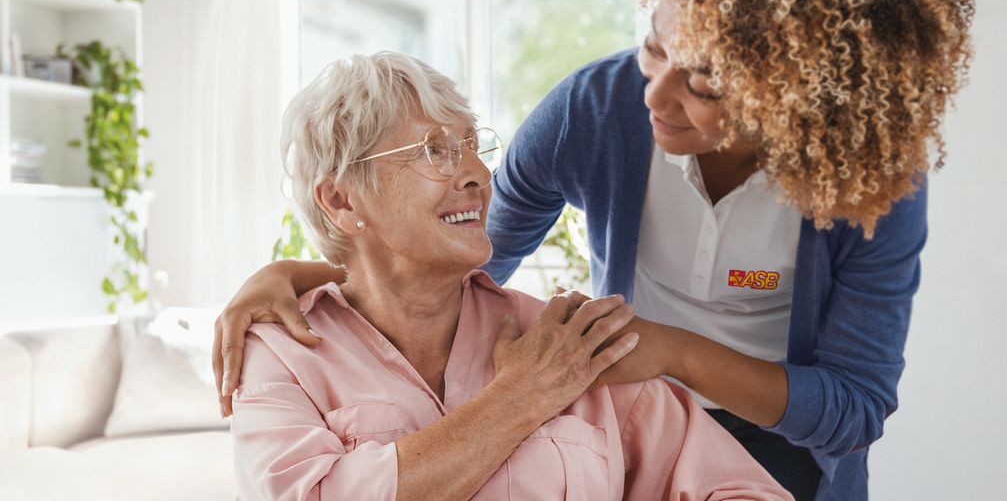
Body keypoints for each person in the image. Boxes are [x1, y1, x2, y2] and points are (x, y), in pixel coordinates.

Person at [216, 0, 974, 499]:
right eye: (654, 48)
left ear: (795, 93)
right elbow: (471, 246)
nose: (654, 93)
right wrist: (301, 271)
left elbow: (855, 407)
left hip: (784, 444)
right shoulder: (597, 109)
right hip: (631, 402)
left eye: (704, 82)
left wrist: (671, 351)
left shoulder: (871, 182)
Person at [230, 51, 792, 500]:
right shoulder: (282, 355)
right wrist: (521, 397)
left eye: (474, 146)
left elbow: (745, 489)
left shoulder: (565, 342)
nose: (477, 173)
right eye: (435, 151)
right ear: (340, 199)